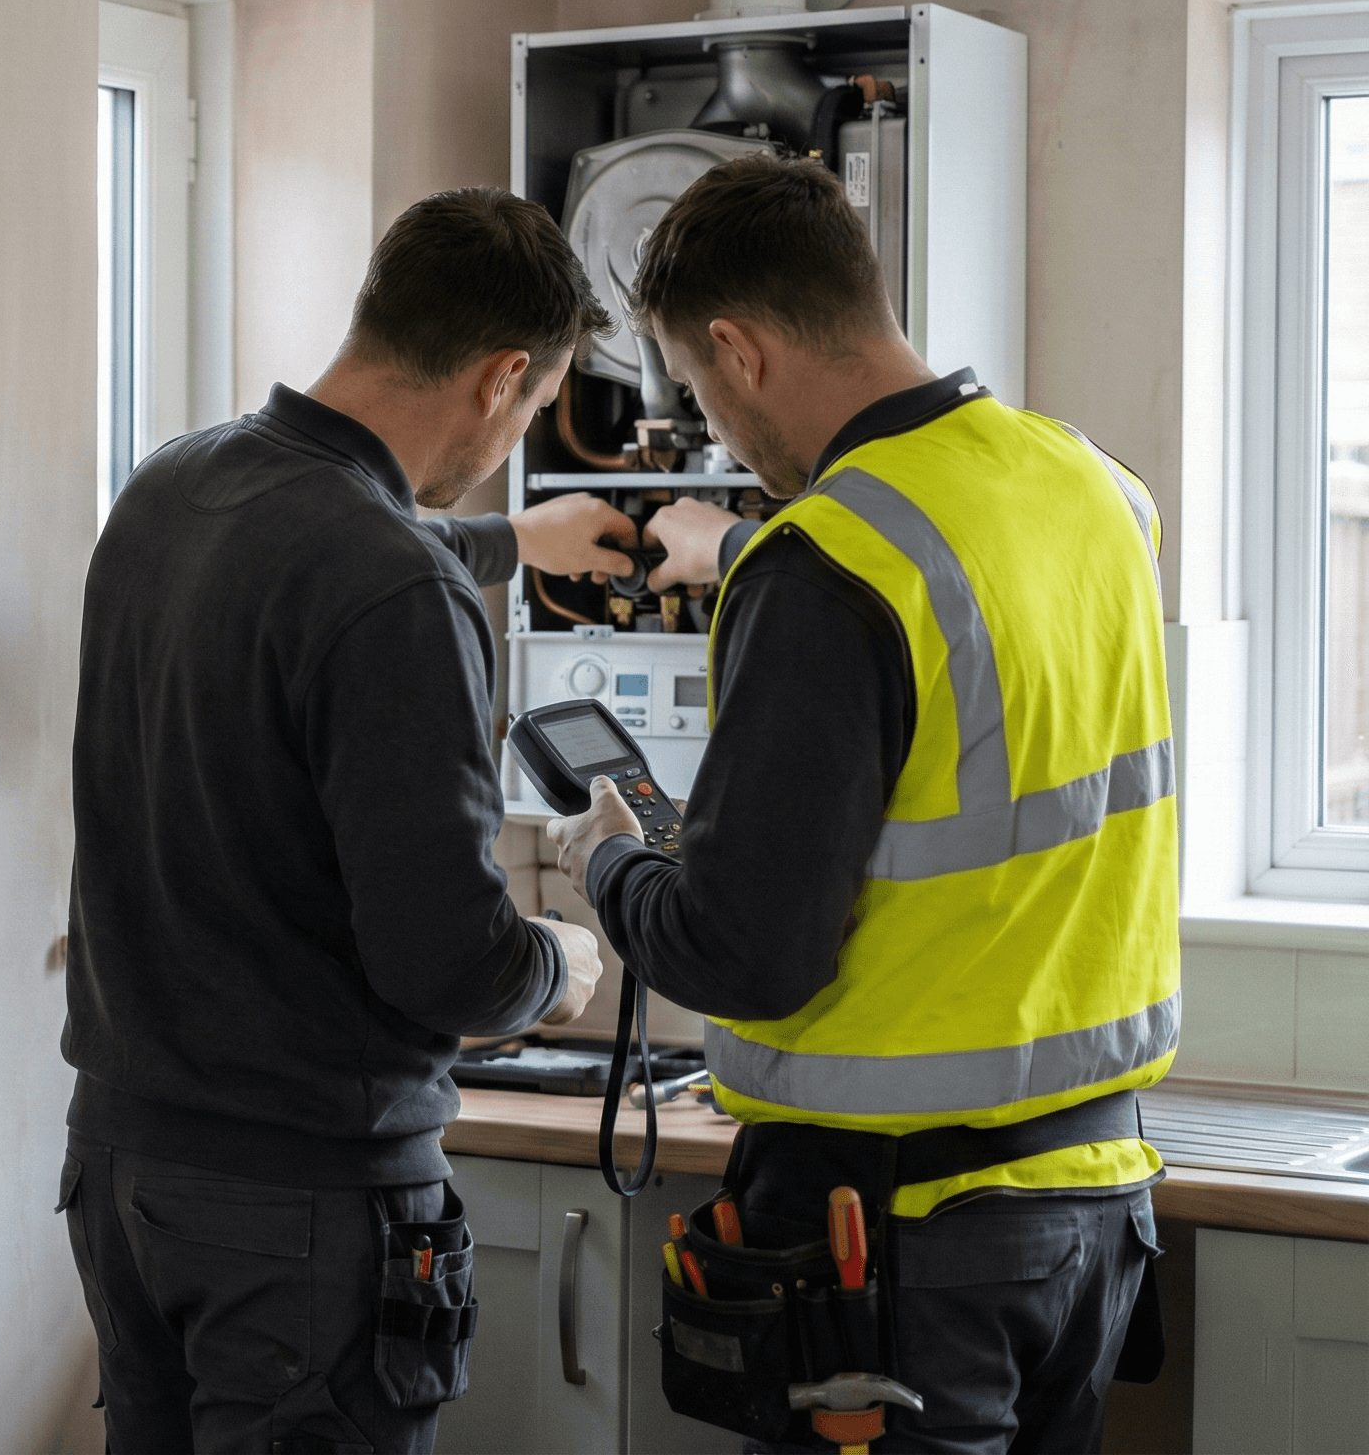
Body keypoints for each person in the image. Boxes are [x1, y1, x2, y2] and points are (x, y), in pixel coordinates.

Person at [549, 155, 1176, 1455]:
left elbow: (743, 951)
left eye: (698, 386)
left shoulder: (825, 569)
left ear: (738, 347)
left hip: (894, 1243)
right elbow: (962, 601)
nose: (716, 430)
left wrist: (610, 868)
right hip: (1088, 1212)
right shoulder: (1088, 487)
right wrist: (731, 549)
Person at [57, 187, 637, 1455]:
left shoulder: (169, 487)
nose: (514, 433)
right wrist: (559, 964)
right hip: (305, 1202)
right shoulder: (396, 587)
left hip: (127, 1168)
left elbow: (311, 566)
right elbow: (447, 962)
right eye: (534, 409)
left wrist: (506, 540)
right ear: (500, 379)